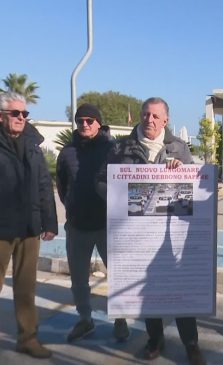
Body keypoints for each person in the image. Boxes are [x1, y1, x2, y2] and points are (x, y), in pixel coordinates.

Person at [98, 97, 206, 365]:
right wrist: (120, 195)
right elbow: (101, 182)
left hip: (170, 234)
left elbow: (192, 187)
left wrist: (182, 172)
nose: (150, 120)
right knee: (150, 292)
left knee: (179, 287)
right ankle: (155, 338)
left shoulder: (179, 148)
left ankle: (191, 344)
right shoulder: (121, 147)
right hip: (135, 233)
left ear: (166, 120)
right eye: (146, 114)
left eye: (156, 116)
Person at [56, 103, 129, 342]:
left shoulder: (113, 149)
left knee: (118, 276)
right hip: (77, 226)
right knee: (79, 280)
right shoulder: (66, 152)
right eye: (80, 121)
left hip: (108, 226)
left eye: (89, 120)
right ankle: (85, 320)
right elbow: (61, 185)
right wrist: (72, 208)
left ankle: (121, 319)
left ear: (99, 122)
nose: (84, 124)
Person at [0, 92, 58, 358]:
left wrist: (50, 222)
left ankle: (28, 338)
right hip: (1, 227)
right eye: (16, 113)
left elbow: (45, 184)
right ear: (1, 116)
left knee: (26, 287)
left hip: (29, 228)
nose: (21, 118)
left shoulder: (33, 145)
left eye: (24, 114)